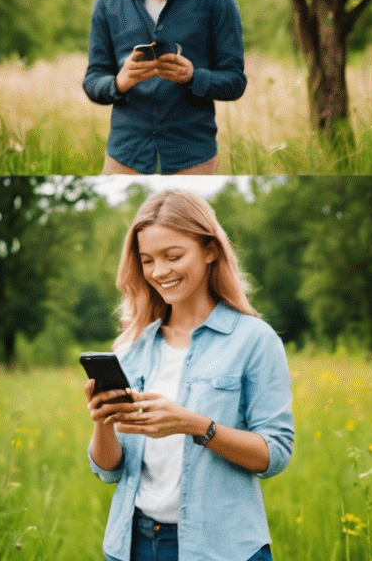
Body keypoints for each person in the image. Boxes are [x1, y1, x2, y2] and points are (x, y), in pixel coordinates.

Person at [83, 189, 293, 561]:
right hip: (133, 545)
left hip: (223, 548)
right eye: (147, 260)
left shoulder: (254, 340)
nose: (159, 271)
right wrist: (102, 422)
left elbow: (273, 454)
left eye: (173, 255)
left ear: (210, 250)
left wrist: (196, 425)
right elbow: (109, 471)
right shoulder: (131, 347)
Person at [83, 0, 246, 175]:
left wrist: (193, 77)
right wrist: (118, 83)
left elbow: (235, 82)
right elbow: (93, 80)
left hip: (192, 156)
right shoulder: (108, 3)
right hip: (125, 155)